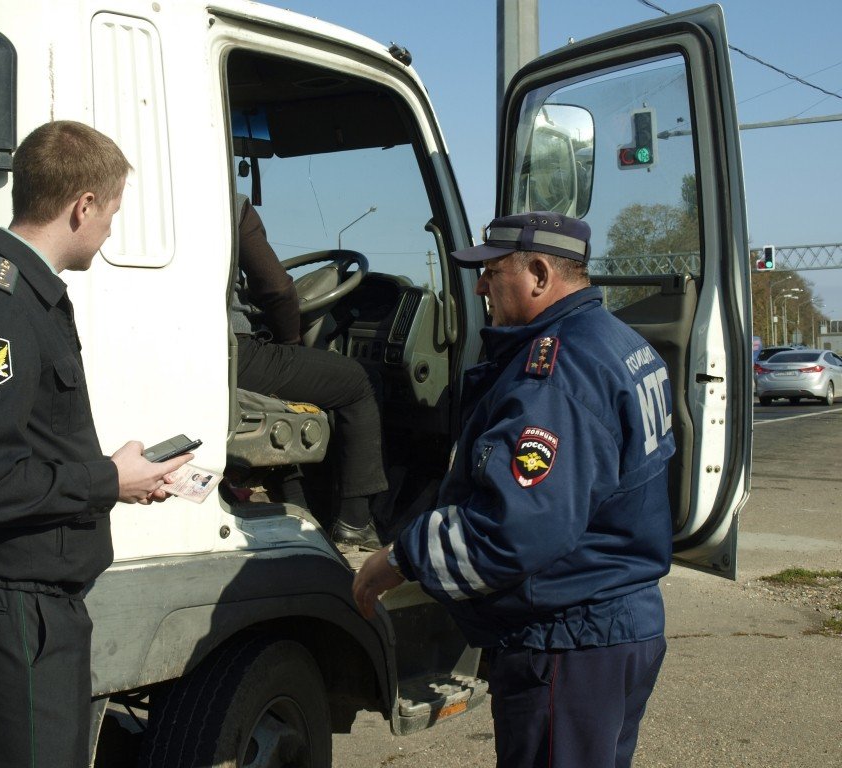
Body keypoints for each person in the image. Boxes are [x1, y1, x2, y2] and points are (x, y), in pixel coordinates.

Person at [353, 211, 675, 767]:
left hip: (567, 641)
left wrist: (398, 558)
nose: (480, 286)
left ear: (539, 274)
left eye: (491, 272)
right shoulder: (615, 339)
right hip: (614, 626)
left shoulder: (558, 369)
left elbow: (515, 528)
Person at [0, 120, 192, 768]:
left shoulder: (24, 299)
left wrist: (123, 479)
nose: (108, 230)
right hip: (13, 612)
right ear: (83, 206)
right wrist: (105, 480)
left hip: (34, 611)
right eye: (112, 212)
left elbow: (26, 447)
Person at [232, 194, 388, 549]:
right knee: (359, 381)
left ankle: (301, 510)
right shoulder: (231, 204)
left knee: (298, 387)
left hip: (200, 353)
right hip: (234, 353)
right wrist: (289, 344)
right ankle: (355, 522)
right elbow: (276, 289)